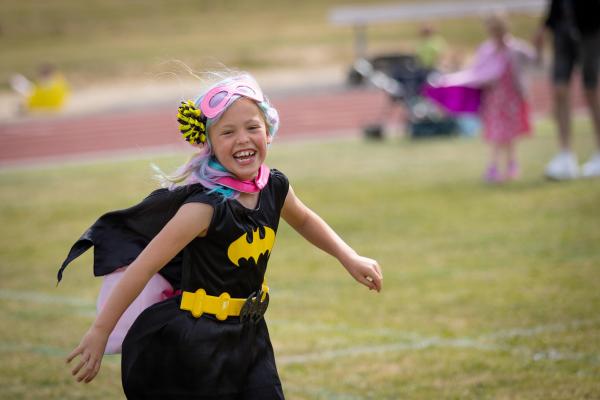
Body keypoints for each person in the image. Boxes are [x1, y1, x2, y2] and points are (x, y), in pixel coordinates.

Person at [57, 72, 383, 399]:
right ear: (209, 144)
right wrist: (100, 331)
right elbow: (142, 268)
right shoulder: (204, 208)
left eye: (252, 127)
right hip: (196, 343)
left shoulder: (275, 186)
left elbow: (305, 220)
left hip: (251, 336)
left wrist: (348, 256)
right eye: (227, 132)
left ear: (269, 132)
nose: (242, 139)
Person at [424, 12, 538, 182]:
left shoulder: (515, 48)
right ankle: (493, 167)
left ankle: (512, 164)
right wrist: (450, 80)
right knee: (495, 133)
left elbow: (533, 58)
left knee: (510, 133)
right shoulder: (487, 49)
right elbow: (476, 73)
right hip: (494, 98)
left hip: (511, 97)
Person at [534, 0, 600, 180]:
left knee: (592, 90)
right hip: (562, 29)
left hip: (590, 28)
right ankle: (565, 155)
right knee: (559, 89)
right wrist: (544, 26)